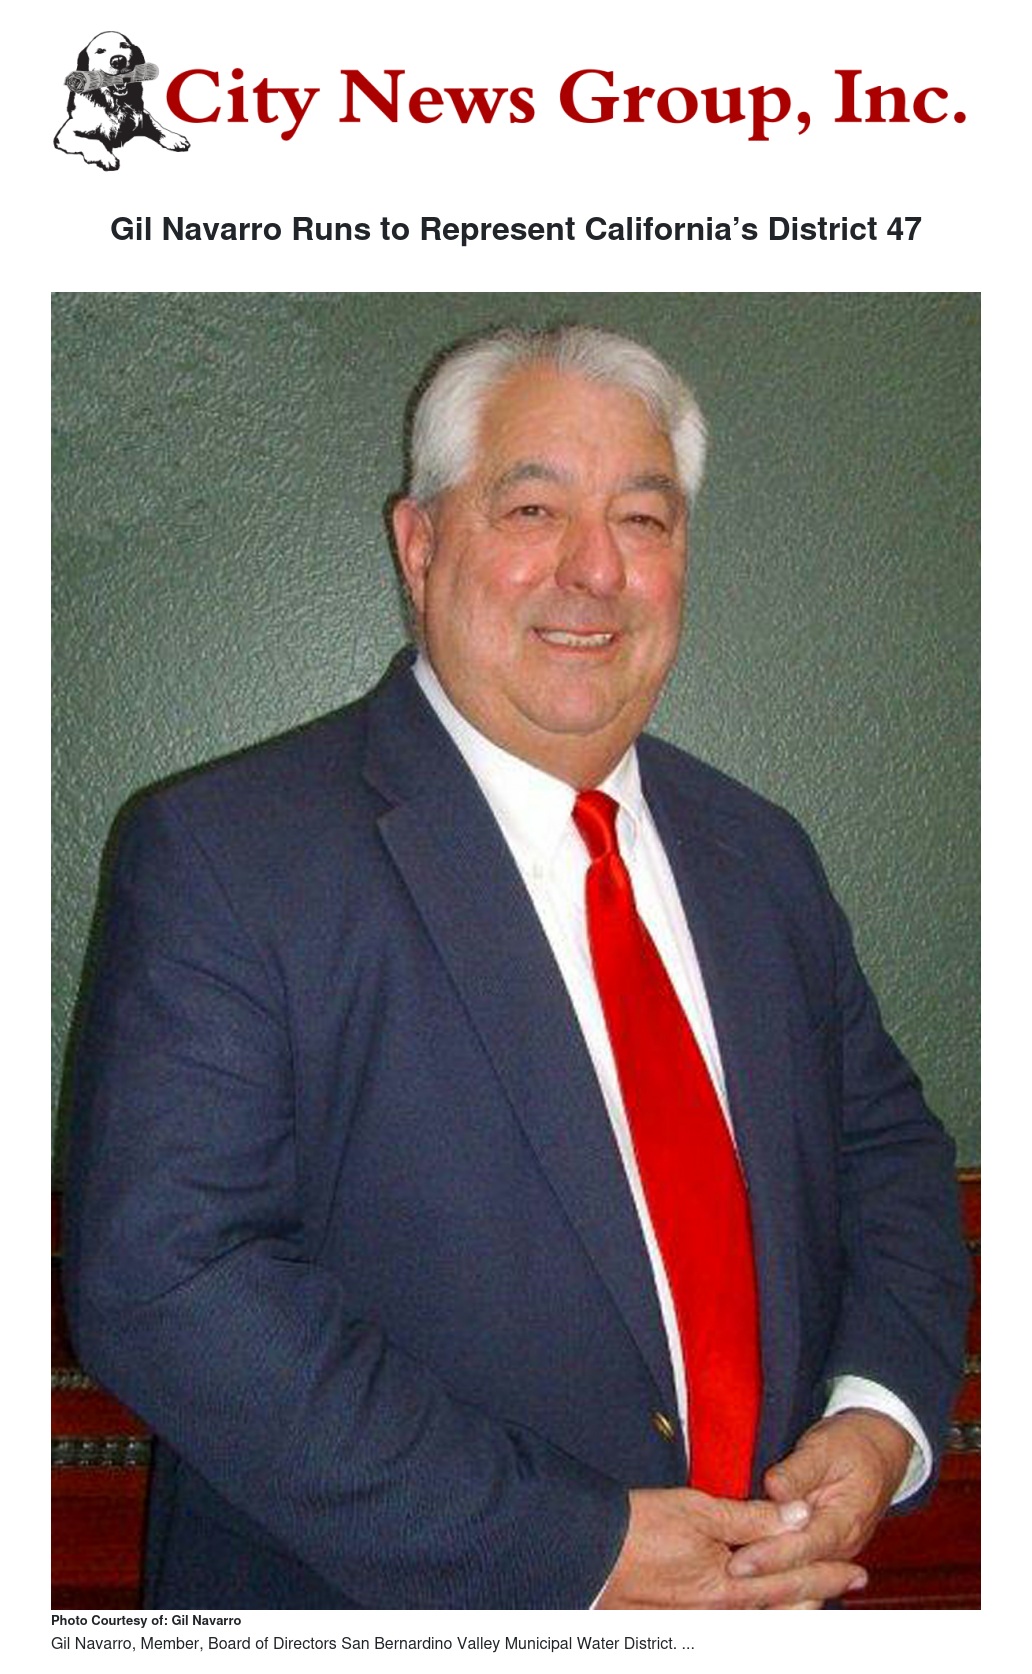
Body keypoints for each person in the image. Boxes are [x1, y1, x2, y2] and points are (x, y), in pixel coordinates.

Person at [64, 324, 971, 1610]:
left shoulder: (761, 856)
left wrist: (879, 1419)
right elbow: (170, 1283)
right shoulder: (225, 854)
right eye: (534, 509)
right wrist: (571, 1547)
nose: (594, 570)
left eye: (643, 520)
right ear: (420, 545)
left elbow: (888, 1158)